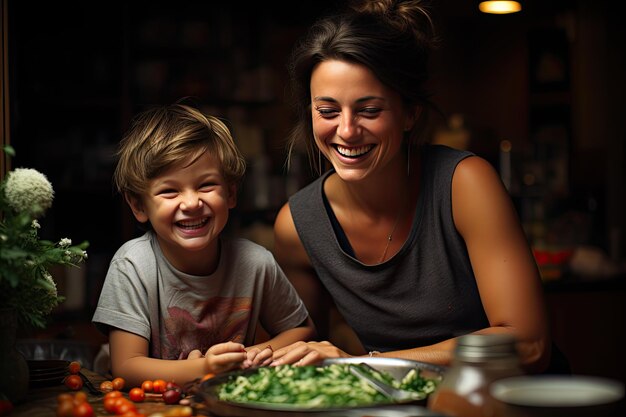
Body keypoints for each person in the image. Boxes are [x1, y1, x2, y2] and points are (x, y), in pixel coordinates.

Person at [270, 0, 559, 374]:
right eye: (327, 111)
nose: (345, 130)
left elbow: (529, 344)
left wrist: (368, 363)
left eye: (369, 110)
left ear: (410, 113)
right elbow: (307, 353)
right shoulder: (296, 226)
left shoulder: (465, 184)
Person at [92, 101, 315, 388]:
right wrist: (205, 367)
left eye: (206, 185)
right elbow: (126, 366)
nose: (192, 203)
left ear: (231, 193)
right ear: (138, 206)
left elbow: (302, 330)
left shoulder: (255, 262)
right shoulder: (133, 266)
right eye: (170, 191)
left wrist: (248, 356)